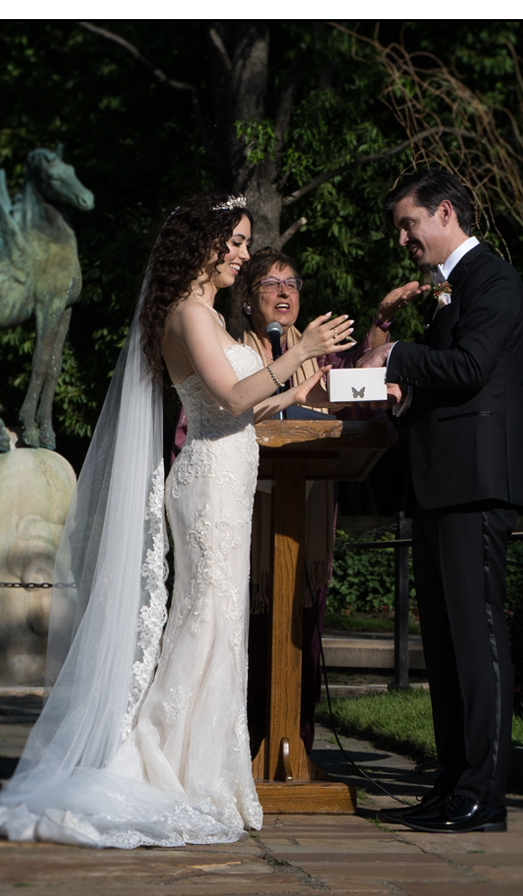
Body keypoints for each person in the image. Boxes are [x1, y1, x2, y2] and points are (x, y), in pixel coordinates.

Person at [0, 192, 354, 849]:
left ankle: (204, 768)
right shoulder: (188, 313)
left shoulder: (209, 316)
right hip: (206, 485)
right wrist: (300, 350)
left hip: (229, 476)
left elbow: (243, 410)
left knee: (218, 624)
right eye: (231, 242)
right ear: (198, 245)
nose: (240, 254)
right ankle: (167, 766)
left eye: (242, 244)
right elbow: (232, 394)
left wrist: (303, 388)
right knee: (206, 620)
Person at [172, 246, 412, 758]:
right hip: (247, 510)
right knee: (246, 628)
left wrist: (381, 327)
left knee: (301, 628)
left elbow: (360, 381)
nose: (284, 293)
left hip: (306, 507)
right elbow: (206, 420)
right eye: (270, 284)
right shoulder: (230, 352)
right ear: (246, 298)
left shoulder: (322, 357)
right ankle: (239, 748)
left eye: (292, 284)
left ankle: (293, 745)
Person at [360, 169, 523, 834]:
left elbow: (470, 367)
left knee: (476, 640)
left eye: (409, 223)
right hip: (439, 484)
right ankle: (451, 783)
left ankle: (483, 796)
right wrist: (405, 393)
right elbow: (445, 379)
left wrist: (398, 355)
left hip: (475, 486)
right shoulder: (448, 290)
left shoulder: (492, 279)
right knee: (445, 645)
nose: (402, 238)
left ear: (445, 212)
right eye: (398, 228)